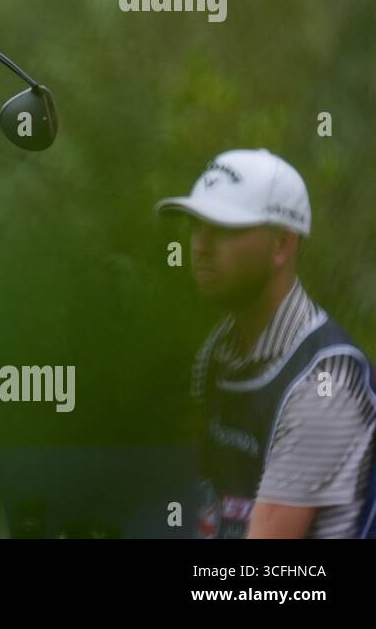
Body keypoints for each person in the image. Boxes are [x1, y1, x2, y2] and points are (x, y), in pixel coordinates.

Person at [157, 148, 376, 538]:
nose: (200, 246)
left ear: (282, 245)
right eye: (196, 226)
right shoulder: (217, 352)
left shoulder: (325, 383)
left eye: (223, 228)